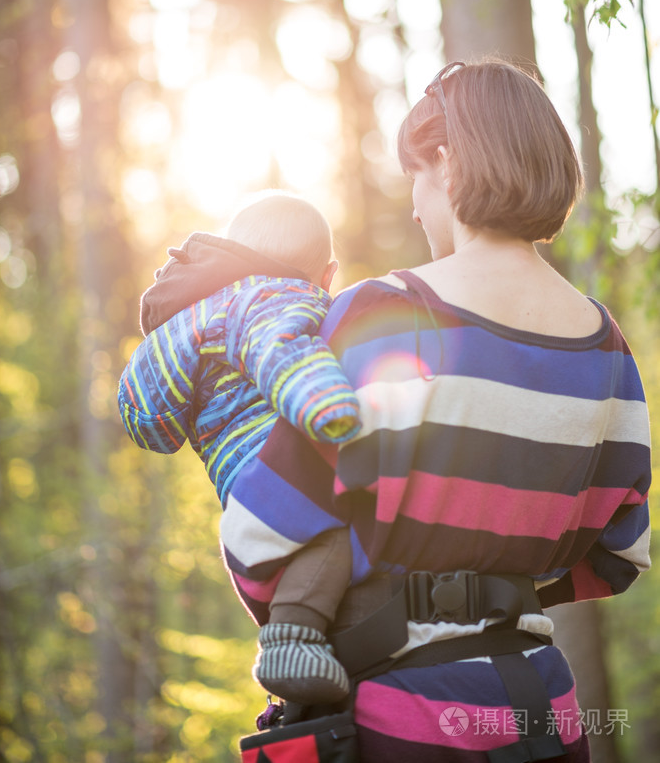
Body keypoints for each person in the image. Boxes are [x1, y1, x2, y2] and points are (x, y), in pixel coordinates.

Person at [218, 60, 652, 762]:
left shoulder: (385, 312)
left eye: (414, 179)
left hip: (406, 719)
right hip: (549, 716)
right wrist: (491, 583)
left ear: (446, 164)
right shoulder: (606, 346)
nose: (415, 207)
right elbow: (620, 550)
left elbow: (263, 531)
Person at [119, 192, 363, 704]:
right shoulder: (273, 299)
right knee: (342, 529)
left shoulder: (189, 320)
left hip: (240, 492)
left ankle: (302, 637)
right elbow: (280, 350)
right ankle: (291, 638)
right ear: (327, 274)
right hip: (281, 472)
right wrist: (325, 403)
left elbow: (145, 411)